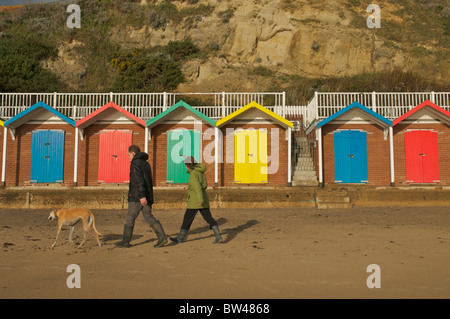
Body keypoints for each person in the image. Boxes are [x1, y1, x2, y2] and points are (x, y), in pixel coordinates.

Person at [116, 145, 168, 248]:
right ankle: (162, 237)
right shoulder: (146, 163)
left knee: (130, 218)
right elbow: (147, 181)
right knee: (148, 216)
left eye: (128, 155)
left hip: (137, 197)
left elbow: (138, 180)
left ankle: (125, 242)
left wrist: (141, 196)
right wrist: (146, 196)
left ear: (133, 153)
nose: (128, 157)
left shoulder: (135, 163)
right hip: (147, 195)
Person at [170, 156, 223, 244]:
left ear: (188, 165)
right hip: (203, 198)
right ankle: (218, 236)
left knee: (187, 219)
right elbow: (204, 185)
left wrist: (199, 200)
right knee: (209, 218)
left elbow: (197, 188)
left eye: (185, 165)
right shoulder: (200, 172)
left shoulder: (194, 174)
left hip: (195, 201)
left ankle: (180, 238)